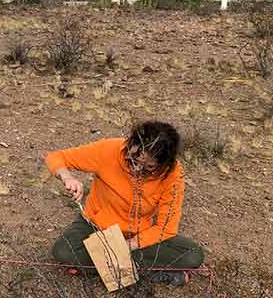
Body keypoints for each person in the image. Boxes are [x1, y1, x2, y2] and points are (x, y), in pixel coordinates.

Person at [44, 121, 205, 286]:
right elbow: (56, 157)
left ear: (164, 164)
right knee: (64, 252)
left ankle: (101, 268)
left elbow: (166, 228)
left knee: (192, 255)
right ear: (131, 144)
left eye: (148, 167)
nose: (137, 168)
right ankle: (150, 273)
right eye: (134, 159)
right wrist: (67, 177)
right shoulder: (110, 149)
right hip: (95, 227)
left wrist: (126, 245)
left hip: (137, 237)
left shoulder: (173, 175)